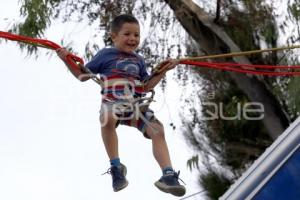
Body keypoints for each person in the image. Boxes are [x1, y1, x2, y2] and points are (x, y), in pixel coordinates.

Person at [57, 14, 186, 197]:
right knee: (107, 118)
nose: (133, 39)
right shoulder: (106, 55)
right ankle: (116, 167)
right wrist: (66, 59)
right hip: (113, 103)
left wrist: (163, 70)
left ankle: (168, 175)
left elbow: (147, 85)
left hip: (135, 107)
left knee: (157, 130)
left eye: (136, 35)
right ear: (114, 36)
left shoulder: (139, 60)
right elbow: (82, 75)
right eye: (127, 34)